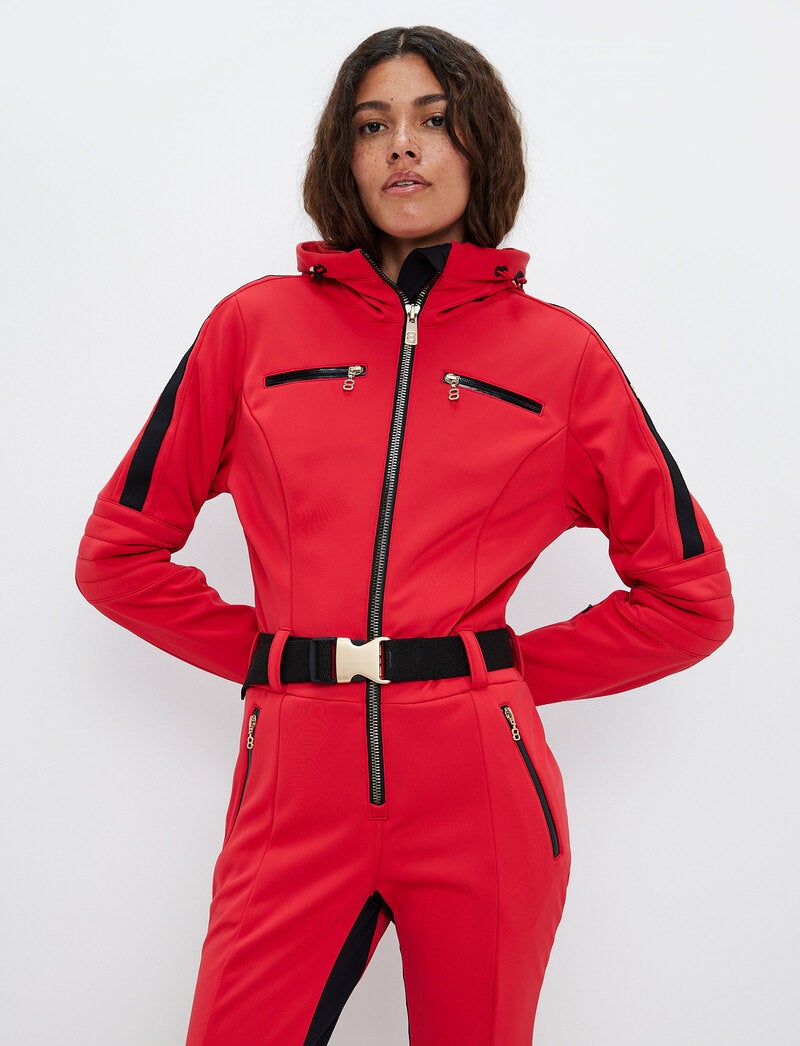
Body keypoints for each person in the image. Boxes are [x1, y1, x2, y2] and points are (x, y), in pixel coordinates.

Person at [75, 25, 734, 1046]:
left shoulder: (561, 357)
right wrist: (271, 659)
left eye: (434, 119)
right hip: (293, 792)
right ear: (341, 155)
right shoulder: (252, 329)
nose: (403, 146)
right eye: (372, 125)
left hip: (482, 797)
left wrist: (497, 676)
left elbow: (690, 599)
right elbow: (117, 555)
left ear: (481, 145)